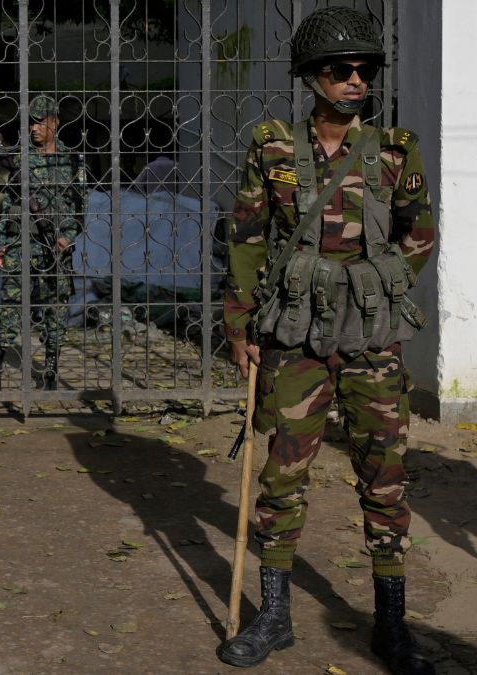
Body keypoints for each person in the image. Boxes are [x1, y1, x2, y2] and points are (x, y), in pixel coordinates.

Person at [219, 8, 435, 673]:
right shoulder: (274, 146)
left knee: (385, 476)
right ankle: (275, 614)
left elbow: (419, 232)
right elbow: (249, 235)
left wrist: (384, 278)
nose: (354, 81)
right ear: (312, 78)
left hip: (371, 334)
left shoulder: (396, 148)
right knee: (284, 473)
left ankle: (391, 624)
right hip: (294, 334)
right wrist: (239, 321)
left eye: (364, 71)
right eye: (341, 70)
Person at [0, 94, 85, 391]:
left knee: (55, 312)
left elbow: (80, 205)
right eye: (30, 123)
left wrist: (66, 238)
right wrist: (4, 245)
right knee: (7, 307)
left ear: (54, 123)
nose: (34, 128)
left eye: (40, 122)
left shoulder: (71, 160)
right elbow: (9, 206)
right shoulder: (20, 159)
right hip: (22, 245)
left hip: (55, 246)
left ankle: (50, 371)